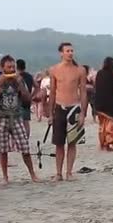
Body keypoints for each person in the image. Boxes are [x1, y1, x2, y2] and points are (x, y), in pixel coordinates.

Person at [0, 55, 41, 185]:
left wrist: (20, 84)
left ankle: (32, 174)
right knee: (3, 149)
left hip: (16, 116)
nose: (12, 69)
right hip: (1, 117)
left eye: (13, 67)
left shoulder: (19, 80)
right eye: (9, 67)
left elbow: (27, 99)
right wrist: (0, 84)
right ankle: (5, 176)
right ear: (2, 68)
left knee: (24, 146)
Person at [48, 42, 87, 181]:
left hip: (74, 107)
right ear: (61, 53)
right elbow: (52, 92)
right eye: (67, 51)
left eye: (72, 50)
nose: (70, 53)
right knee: (59, 143)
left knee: (72, 142)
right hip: (59, 107)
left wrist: (83, 112)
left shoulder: (80, 70)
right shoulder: (53, 70)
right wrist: (50, 113)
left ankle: (69, 172)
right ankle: (58, 173)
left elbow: (83, 92)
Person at [16, 59, 34, 137]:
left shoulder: (16, 77)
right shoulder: (29, 76)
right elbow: (37, 86)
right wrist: (32, 95)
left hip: (18, 100)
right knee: (26, 122)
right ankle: (26, 138)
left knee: (17, 122)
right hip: (27, 100)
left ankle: (19, 139)